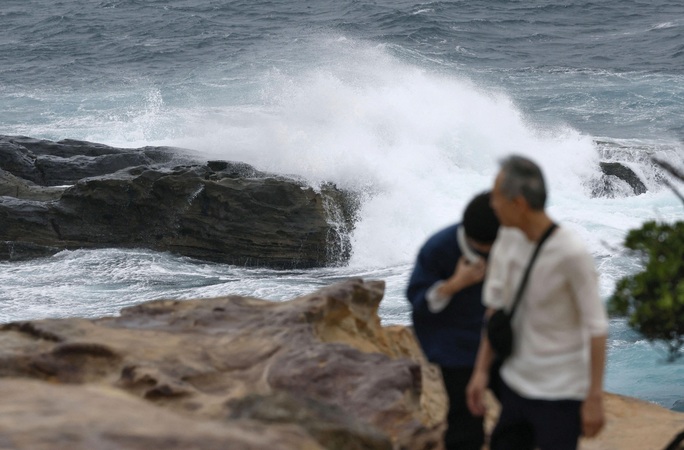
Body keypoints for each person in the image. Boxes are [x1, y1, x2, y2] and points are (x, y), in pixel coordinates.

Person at [466, 155, 609, 450]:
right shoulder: (506, 239)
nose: (492, 204)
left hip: (561, 395)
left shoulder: (570, 254)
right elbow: (495, 309)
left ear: (518, 203)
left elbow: (597, 327)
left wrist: (594, 397)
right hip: (515, 385)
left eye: (496, 197)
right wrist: (481, 371)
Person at [407, 191, 500, 450]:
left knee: (523, 408)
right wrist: (456, 283)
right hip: (453, 344)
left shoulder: (510, 241)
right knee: (465, 418)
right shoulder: (439, 248)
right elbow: (419, 303)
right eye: (481, 248)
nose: (488, 253)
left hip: (499, 338)